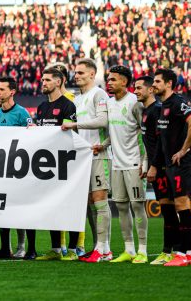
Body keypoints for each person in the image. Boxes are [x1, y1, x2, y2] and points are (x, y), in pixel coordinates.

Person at [62, 58, 112, 262]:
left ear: (92, 74)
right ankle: (99, 246)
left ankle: (104, 249)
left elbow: (103, 121)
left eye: (81, 72)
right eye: (75, 72)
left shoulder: (99, 94)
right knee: (91, 204)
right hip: (84, 158)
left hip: (99, 155)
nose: (77, 76)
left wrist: (75, 125)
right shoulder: (77, 99)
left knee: (100, 201)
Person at [153, 69, 191, 267]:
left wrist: (183, 149)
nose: (154, 84)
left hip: (182, 163)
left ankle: (182, 254)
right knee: (179, 206)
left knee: (182, 205)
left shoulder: (177, 102)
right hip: (171, 164)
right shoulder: (164, 106)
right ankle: (190, 254)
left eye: (158, 81)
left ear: (169, 84)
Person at [33, 62, 80, 261]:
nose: (43, 83)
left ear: (58, 82)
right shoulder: (42, 107)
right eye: (42, 79)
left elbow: (72, 134)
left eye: (47, 80)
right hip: (47, 164)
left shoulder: (68, 105)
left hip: (65, 163)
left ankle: (72, 249)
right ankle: (55, 249)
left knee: (70, 206)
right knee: (51, 206)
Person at [104, 65, 147, 264]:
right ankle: (129, 249)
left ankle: (142, 250)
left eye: (113, 79)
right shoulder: (109, 103)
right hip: (116, 164)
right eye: (108, 79)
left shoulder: (135, 103)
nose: (109, 83)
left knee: (137, 205)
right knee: (121, 206)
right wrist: (103, 145)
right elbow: (114, 133)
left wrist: (145, 162)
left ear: (124, 81)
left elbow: (146, 134)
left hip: (134, 163)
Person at [0, 76, 32, 260]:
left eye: (1, 90)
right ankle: (5, 248)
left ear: (12, 92)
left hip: (19, 170)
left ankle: (22, 247)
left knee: (19, 209)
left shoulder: (22, 114)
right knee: (2, 209)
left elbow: (32, 140)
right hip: (1, 169)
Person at [136, 73, 173, 265]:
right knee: (167, 209)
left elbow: (161, 142)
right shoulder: (146, 110)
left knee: (169, 209)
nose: (135, 91)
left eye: (139, 88)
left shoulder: (157, 110)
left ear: (150, 89)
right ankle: (173, 251)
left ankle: (169, 252)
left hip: (163, 167)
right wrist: (145, 164)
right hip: (156, 165)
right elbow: (148, 144)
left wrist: (154, 166)